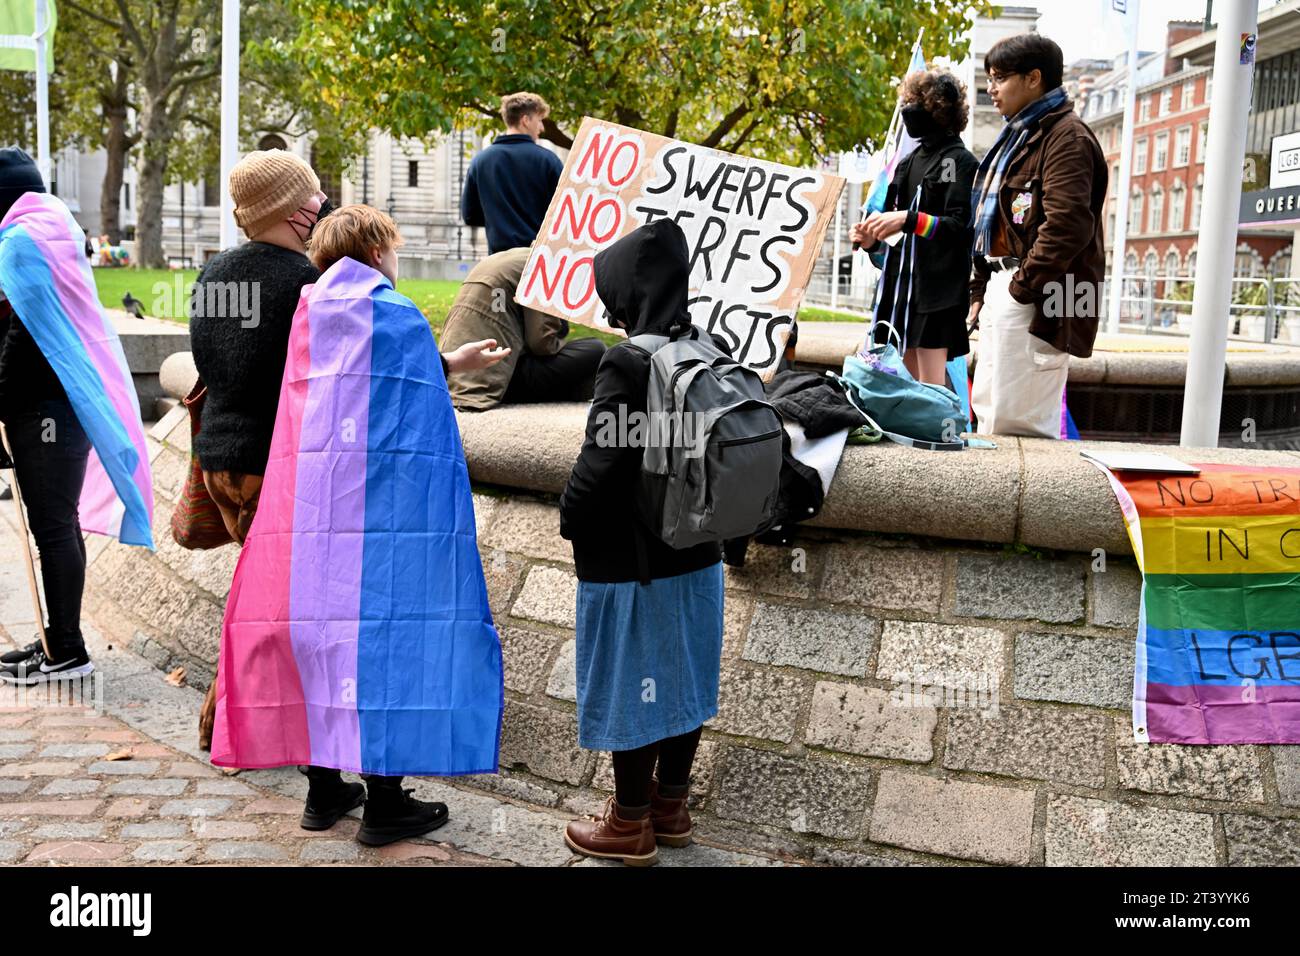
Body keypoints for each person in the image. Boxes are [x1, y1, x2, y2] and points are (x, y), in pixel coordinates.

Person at [190, 153, 501, 832]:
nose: (320, 205)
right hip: (330, 488)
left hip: (241, 466)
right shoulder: (318, 288)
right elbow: (368, 381)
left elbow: (226, 364)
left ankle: (319, 786)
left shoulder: (224, 275)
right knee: (365, 633)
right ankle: (382, 801)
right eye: (312, 198)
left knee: (296, 625)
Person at [559, 219, 725, 867]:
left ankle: (628, 821)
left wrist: (569, 516)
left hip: (632, 562)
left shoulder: (628, 360)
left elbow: (603, 466)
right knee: (680, 679)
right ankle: (671, 807)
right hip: (699, 552)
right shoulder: (711, 346)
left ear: (626, 292)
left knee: (634, 682)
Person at [967, 33, 1107, 437]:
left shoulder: (1067, 137)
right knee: (992, 413)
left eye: (999, 78)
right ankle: (992, 500)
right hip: (1007, 286)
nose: (991, 89)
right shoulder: (1019, 136)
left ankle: (1015, 501)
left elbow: (1067, 225)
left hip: (1036, 296)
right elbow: (991, 226)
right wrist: (983, 290)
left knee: (1020, 424)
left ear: (1033, 78)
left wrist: (1020, 288)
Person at [0, 148, 95, 683]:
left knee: (54, 527)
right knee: (59, 524)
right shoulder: (53, 231)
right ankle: (60, 640)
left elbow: (22, 337)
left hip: (44, 408)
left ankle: (65, 652)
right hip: (59, 403)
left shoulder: (25, 243)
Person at [853, 69, 978, 386]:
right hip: (902, 288)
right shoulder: (907, 163)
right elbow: (894, 237)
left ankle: (937, 431)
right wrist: (871, 240)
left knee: (929, 387)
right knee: (903, 383)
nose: (909, 109)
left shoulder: (956, 161)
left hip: (938, 291)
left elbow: (959, 225)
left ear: (941, 108)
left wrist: (908, 219)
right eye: (907, 101)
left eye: (916, 102)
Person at [441, 247, 605, 410]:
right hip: (495, 375)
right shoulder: (545, 267)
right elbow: (541, 344)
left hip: (456, 371)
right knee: (595, 349)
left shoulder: (515, 257)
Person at [460, 92, 564, 254]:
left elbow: (470, 216)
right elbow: (563, 213)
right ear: (525, 120)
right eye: (539, 120)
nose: (542, 128)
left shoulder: (480, 161)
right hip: (537, 259)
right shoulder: (548, 161)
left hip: (497, 260)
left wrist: (499, 219)